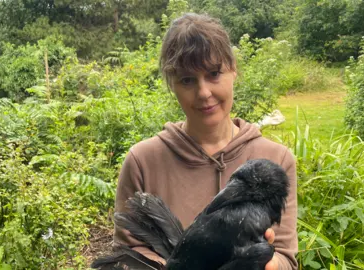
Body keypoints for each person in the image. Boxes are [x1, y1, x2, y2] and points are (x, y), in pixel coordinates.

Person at [113, 13, 298, 270]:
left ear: (233, 70)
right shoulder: (143, 161)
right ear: (172, 85)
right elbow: (128, 251)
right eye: (187, 80)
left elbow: (287, 258)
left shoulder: (276, 160)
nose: (203, 93)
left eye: (214, 73)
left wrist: (267, 263)